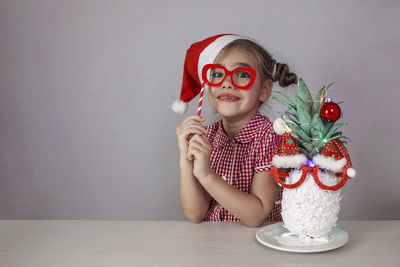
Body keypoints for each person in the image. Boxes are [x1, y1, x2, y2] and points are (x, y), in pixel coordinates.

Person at [173, 34, 297, 227]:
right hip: (216, 245)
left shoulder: (271, 138)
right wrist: (185, 159)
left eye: (242, 75)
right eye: (217, 74)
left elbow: (257, 215)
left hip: (258, 246)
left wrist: (206, 175)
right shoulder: (206, 136)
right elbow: (195, 213)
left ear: (264, 90)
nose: (227, 83)